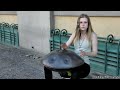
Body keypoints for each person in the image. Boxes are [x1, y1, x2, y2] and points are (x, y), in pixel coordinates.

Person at [59, 13, 98, 79]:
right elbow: (66, 45)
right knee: (62, 72)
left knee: (75, 74)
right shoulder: (75, 33)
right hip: (74, 62)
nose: (83, 24)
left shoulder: (93, 35)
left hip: (84, 63)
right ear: (78, 24)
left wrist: (86, 53)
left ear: (88, 24)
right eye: (81, 22)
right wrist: (63, 46)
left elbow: (95, 53)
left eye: (85, 22)